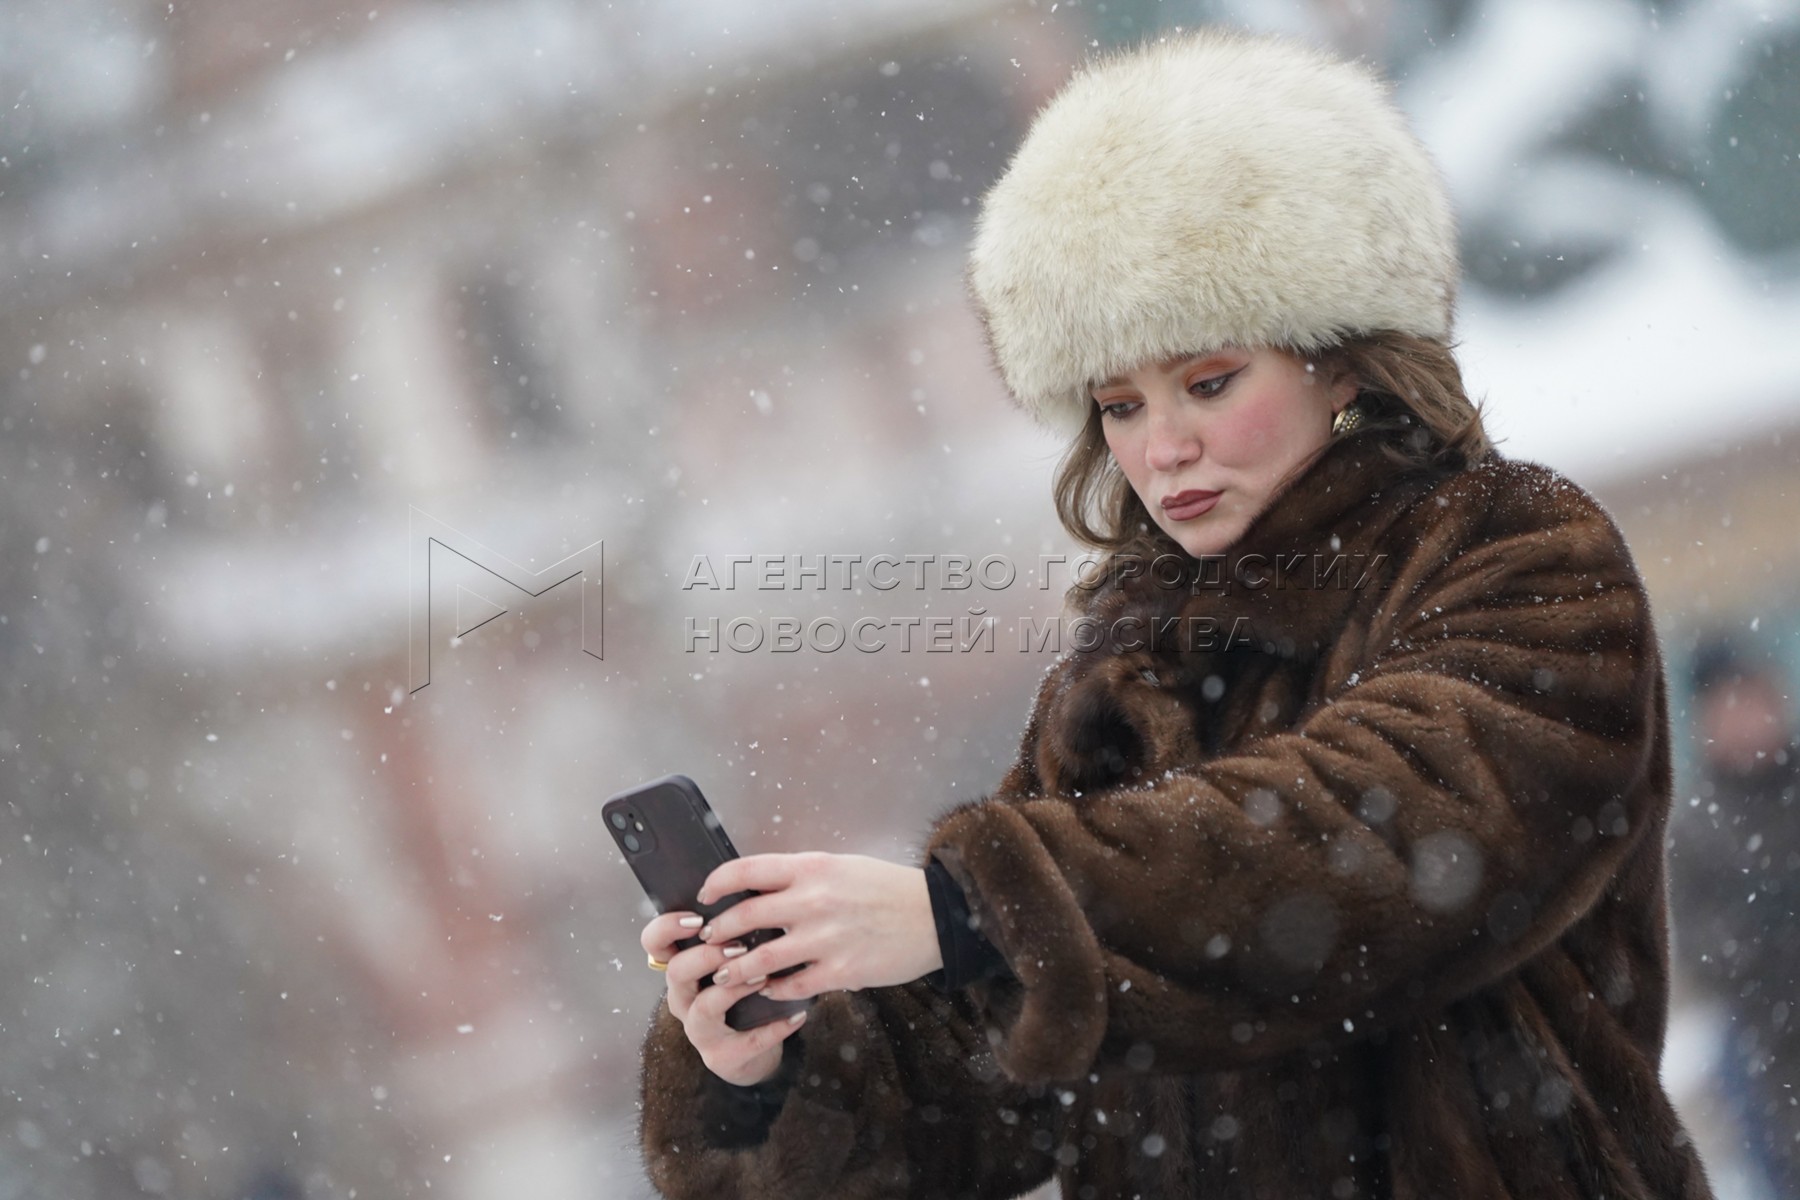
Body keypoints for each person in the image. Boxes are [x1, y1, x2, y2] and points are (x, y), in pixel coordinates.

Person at [635, 28, 1717, 1199]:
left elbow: (1391, 843)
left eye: (1208, 383)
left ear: (1342, 362)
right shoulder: (1130, 665)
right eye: (1119, 404)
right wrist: (769, 1061)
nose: (1165, 446)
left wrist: (978, 906)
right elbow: (993, 1071)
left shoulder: (1518, 550)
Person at [1668, 635, 1800, 1196]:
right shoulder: (1697, 830)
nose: (1748, 719)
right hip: (1774, 1049)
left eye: (1755, 700)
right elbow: (1707, 950)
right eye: (1730, 707)